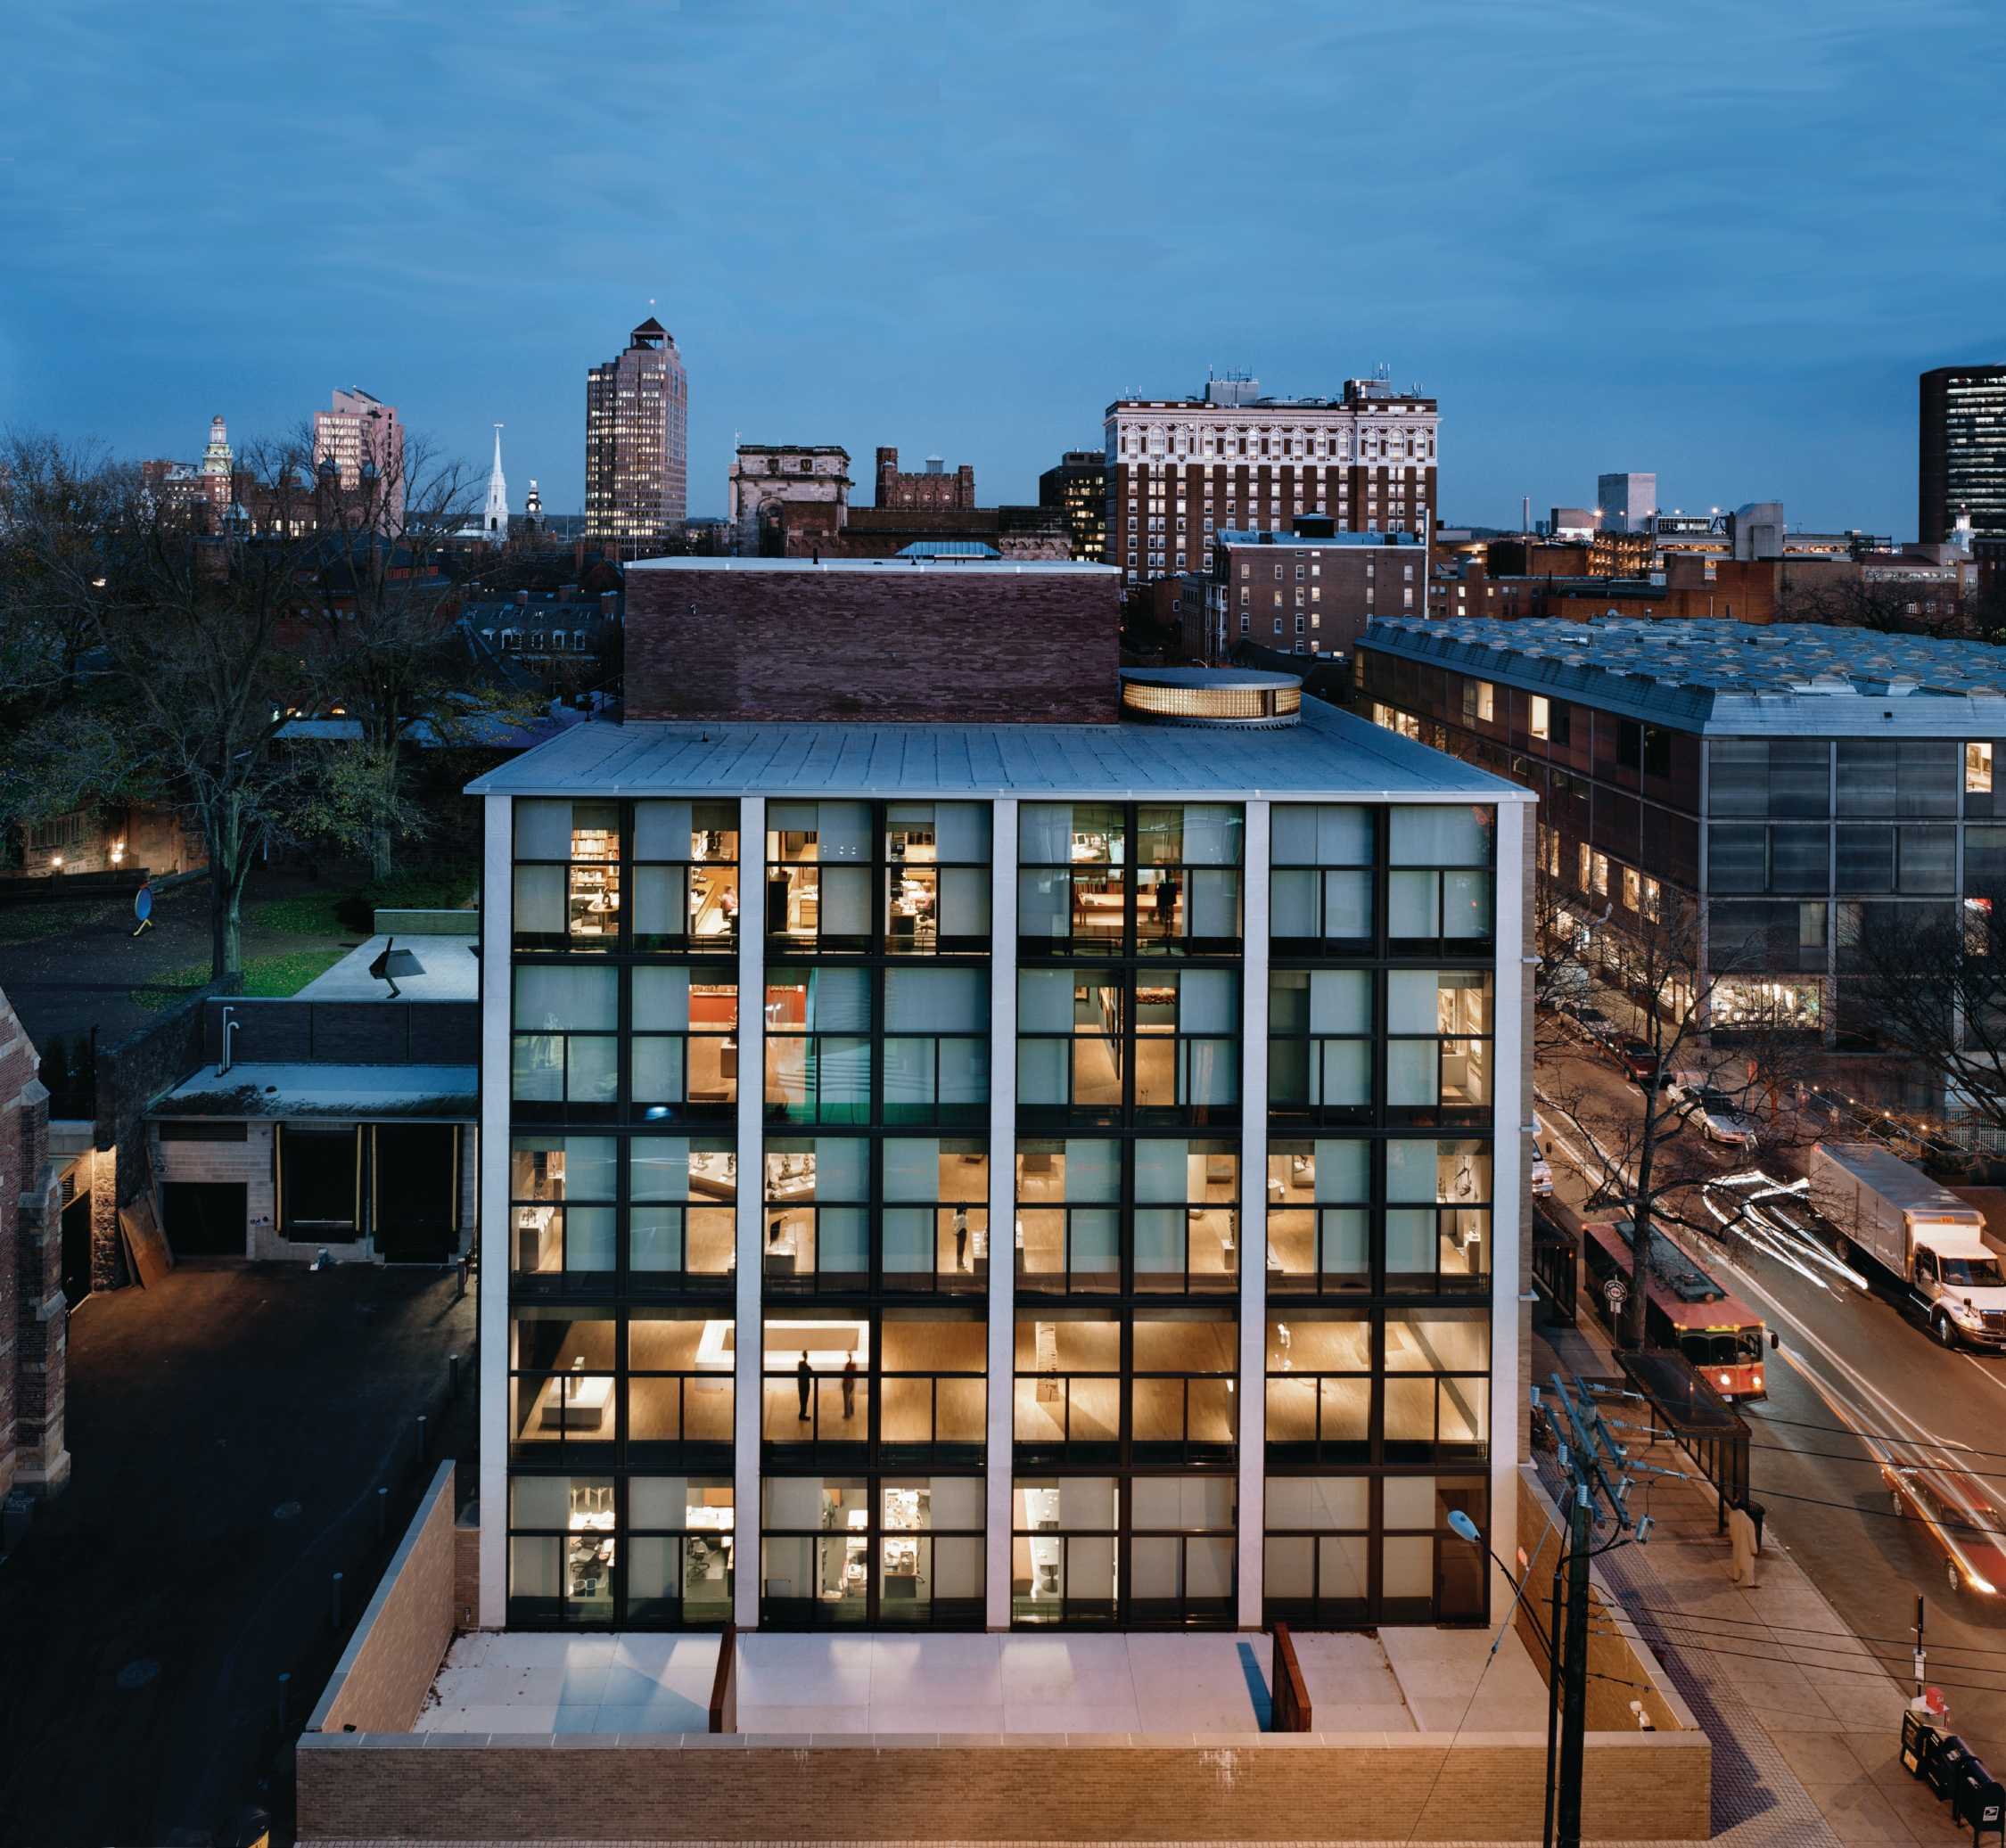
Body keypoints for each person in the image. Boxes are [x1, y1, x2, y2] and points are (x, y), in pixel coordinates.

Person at [796, 1351, 812, 1422]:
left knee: (803, 1400)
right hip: (804, 1385)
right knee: (804, 1400)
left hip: (802, 1385)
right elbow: (809, 1371)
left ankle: (802, 1414)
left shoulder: (801, 1364)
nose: (807, 1356)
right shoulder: (803, 1365)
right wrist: (809, 1368)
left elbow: (809, 1371)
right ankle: (802, 1415)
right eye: (806, 1355)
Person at [953, 1204, 970, 1272]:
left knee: (959, 1248)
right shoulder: (962, 1217)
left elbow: (954, 1224)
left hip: (960, 1233)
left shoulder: (956, 1216)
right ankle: (960, 1263)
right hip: (962, 1233)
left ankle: (959, 1263)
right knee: (961, 1248)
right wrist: (956, 1231)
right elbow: (963, 1225)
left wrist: (955, 1231)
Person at [842, 1351, 859, 1420]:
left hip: (847, 1382)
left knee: (846, 1398)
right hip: (852, 1382)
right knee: (851, 1397)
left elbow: (845, 1374)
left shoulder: (848, 1365)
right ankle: (852, 1411)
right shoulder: (854, 1365)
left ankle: (847, 1414)